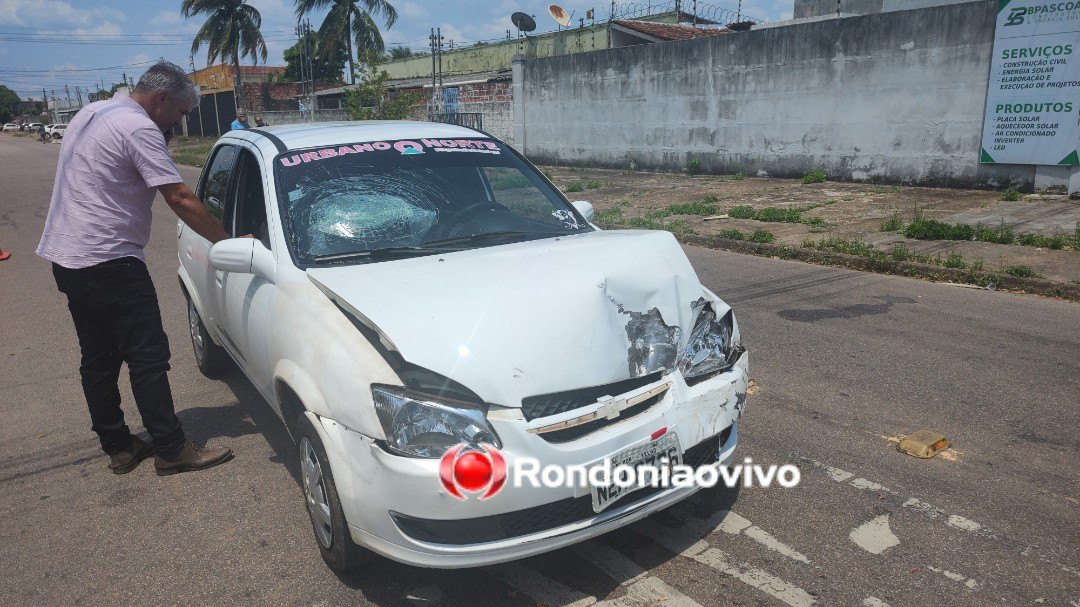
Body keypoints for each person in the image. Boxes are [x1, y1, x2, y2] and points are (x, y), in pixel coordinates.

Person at [37, 61, 235, 476]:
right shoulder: (139, 128)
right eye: (180, 113)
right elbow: (179, 197)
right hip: (110, 260)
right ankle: (171, 448)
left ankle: (119, 447)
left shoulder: (93, 112)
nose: (180, 122)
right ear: (161, 98)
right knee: (148, 357)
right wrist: (227, 242)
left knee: (99, 358)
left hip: (69, 257)